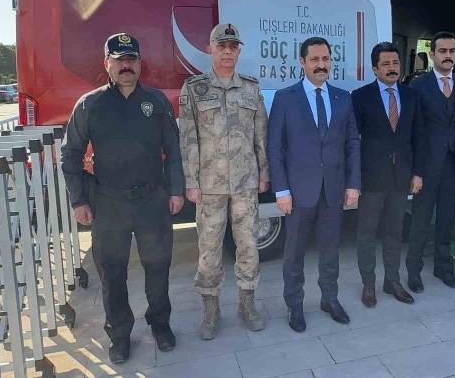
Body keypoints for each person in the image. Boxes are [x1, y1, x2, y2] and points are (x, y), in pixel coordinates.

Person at [62, 33, 184, 364]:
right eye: (119, 60)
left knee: (158, 266)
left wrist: (176, 190)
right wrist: (78, 200)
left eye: (131, 59)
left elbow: (173, 150)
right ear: (107, 64)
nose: (125, 65)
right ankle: (119, 334)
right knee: (112, 272)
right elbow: (70, 155)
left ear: (140, 64)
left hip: (152, 200)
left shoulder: (157, 101)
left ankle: (160, 323)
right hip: (108, 202)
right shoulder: (89, 104)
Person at [179, 23, 269, 340]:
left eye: (232, 46)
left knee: (249, 246)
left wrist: (264, 173)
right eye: (221, 46)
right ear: (210, 49)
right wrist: (191, 181)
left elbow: (261, 135)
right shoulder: (195, 88)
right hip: (209, 185)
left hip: (245, 182)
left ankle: (247, 304)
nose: (227, 51)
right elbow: (188, 138)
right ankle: (210, 310)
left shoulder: (251, 88)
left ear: (239, 51)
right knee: (209, 249)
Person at [267, 36, 361, 332]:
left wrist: (353, 184)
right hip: (298, 192)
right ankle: (295, 305)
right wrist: (281, 190)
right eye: (315, 59)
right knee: (294, 253)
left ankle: (329, 299)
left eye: (326, 59)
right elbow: (274, 147)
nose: (321, 65)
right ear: (302, 62)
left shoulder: (343, 98)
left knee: (330, 251)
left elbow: (352, 143)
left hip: (333, 190)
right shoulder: (285, 98)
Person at [351, 42, 423, 307]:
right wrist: (354, 178)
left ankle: (392, 281)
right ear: (375, 69)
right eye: (385, 64)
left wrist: (418, 173)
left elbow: (418, 136)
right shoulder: (360, 97)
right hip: (371, 178)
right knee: (367, 234)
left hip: (401, 177)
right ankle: (368, 285)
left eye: (395, 63)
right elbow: (352, 141)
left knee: (394, 233)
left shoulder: (411, 96)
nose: (392, 68)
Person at [406, 31, 455, 291]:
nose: (448, 56)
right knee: (420, 221)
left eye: (452, 51)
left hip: (454, 166)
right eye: (443, 51)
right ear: (432, 54)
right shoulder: (418, 86)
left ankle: (442, 268)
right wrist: (415, 171)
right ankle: (413, 271)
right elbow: (412, 131)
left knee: (447, 220)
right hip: (426, 166)